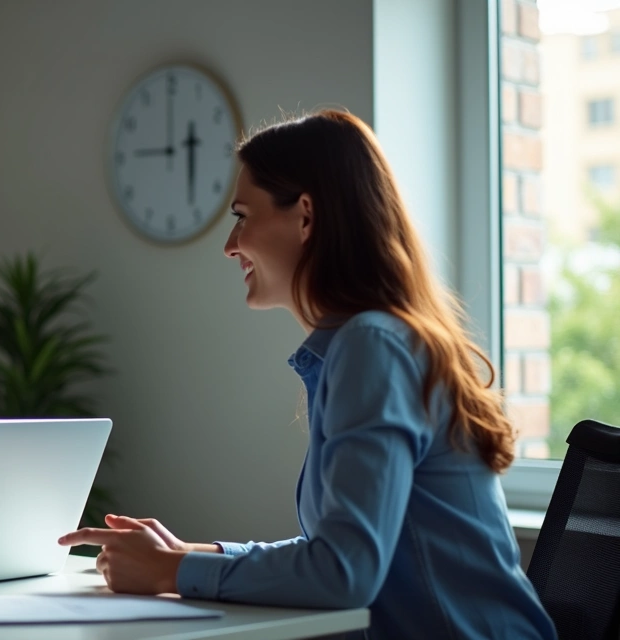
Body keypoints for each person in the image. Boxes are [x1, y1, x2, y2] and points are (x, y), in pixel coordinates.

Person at [59, 110, 556, 639]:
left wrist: (172, 572)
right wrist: (185, 555)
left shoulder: (373, 347)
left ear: (305, 216)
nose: (230, 245)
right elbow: (339, 556)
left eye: (242, 215)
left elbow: (343, 574)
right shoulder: (368, 343)